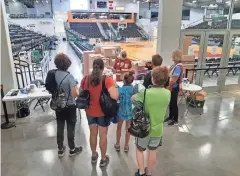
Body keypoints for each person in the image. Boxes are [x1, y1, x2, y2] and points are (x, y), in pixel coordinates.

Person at [132, 66, 171, 176]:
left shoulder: (145, 93)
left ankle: (141, 171)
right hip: (158, 129)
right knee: (152, 151)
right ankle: (149, 172)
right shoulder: (167, 93)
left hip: (144, 128)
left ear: (153, 79)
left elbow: (133, 99)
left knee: (139, 149)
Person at [80, 59, 118, 167]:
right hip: (102, 113)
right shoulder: (107, 79)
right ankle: (103, 159)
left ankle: (93, 155)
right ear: (103, 67)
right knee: (103, 135)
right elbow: (115, 96)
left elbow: (80, 92)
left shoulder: (86, 78)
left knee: (92, 134)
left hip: (90, 112)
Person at [53, 53, 82, 157]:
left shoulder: (54, 74)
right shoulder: (69, 77)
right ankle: (72, 149)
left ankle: (60, 149)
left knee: (60, 127)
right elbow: (75, 94)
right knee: (70, 128)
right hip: (69, 106)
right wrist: (77, 89)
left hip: (59, 105)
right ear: (67, 64)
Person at [114, 71, 135, 152]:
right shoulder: (133, 90)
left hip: (121, 111)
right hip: (130, 111)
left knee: (119, 127)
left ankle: (118, 144)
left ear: (124, 81)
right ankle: (126, 145)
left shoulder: (120, 89)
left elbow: (116, 99)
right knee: (128, 128)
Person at [165, 50, 184, 126]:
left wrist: (167, 86)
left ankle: (175, 119)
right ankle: (170, 117)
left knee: (173, 103)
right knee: (170, 103)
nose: (171, 56)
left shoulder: (178, 67)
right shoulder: (174, 65)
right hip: (171, 87)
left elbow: (174, 80)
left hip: (174, 87)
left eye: (172, 55)